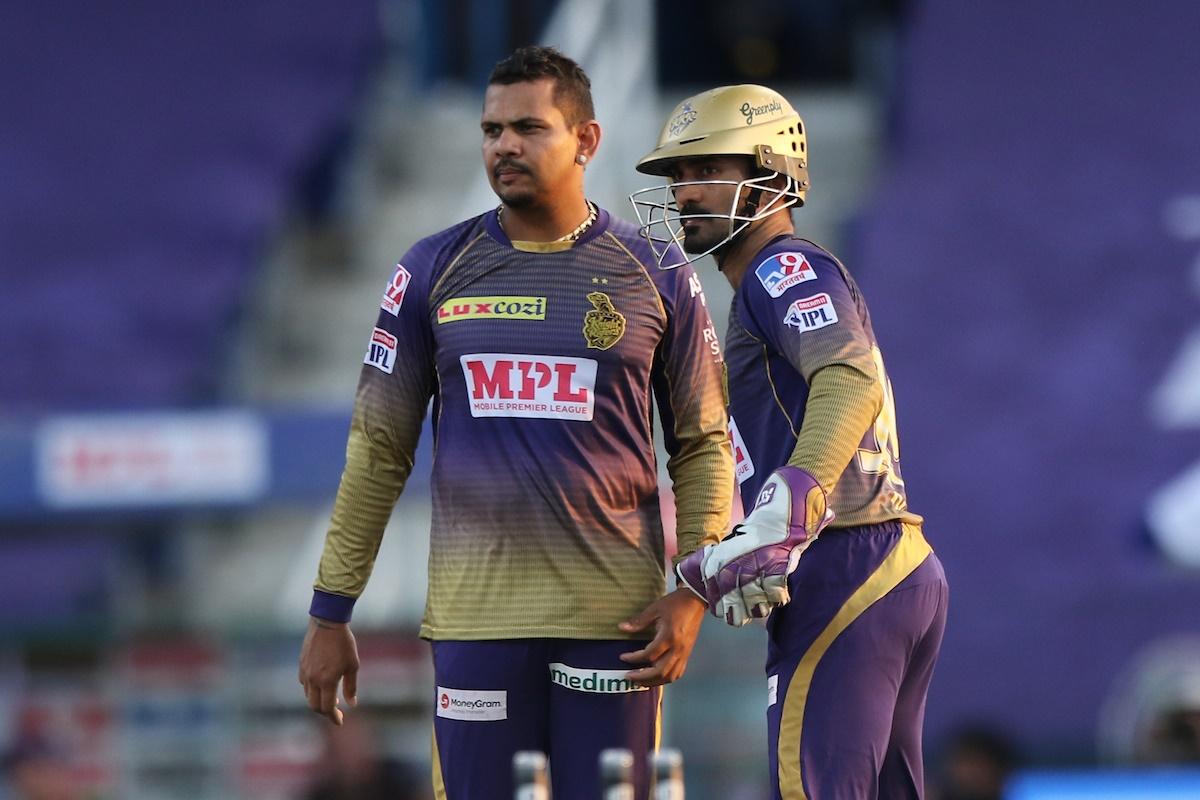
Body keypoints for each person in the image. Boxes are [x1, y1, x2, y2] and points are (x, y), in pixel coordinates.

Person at [298, 46, 732, 800]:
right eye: (492, 129)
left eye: (529, 127)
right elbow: (378, 449)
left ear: (587, 141)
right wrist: (330, 610)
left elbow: (704, 445)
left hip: (617, 629)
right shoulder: (432, 268)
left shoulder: (656, 269)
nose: (504, 145)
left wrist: (694, 588)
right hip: (476, 625)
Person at [631, 85, 949, 799]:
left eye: (704, 169)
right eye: (676, 176)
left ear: (772, 172)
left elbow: (848, 376)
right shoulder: (763, 283)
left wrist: (788, 507)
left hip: (846, 560)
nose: (684, 191)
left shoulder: (780, 267)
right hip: (878, 559)